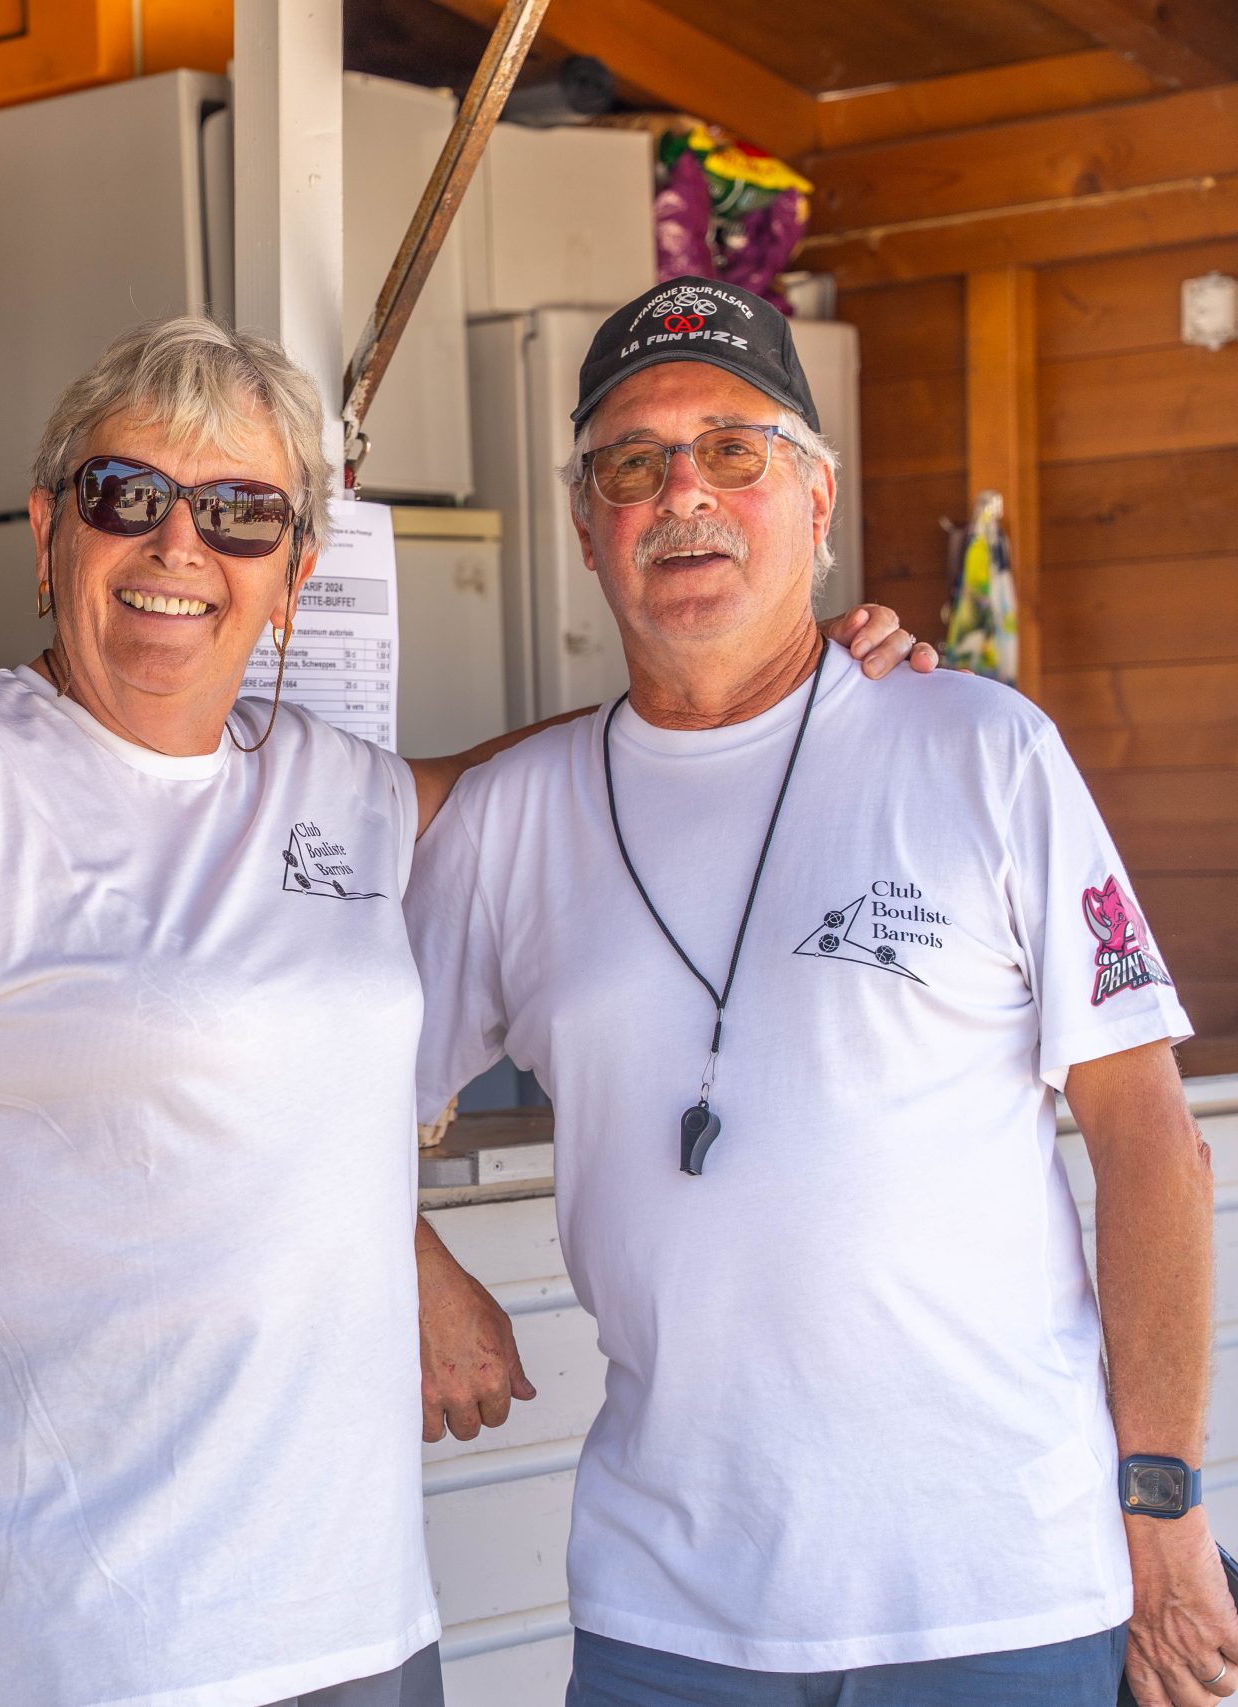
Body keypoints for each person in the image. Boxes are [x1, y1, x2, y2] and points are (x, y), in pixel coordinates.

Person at [0, 315, 923, 1707]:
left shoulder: (326, 784)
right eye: (129, 497)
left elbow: (585, 770)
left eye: (240, 514)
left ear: (293, 576)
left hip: (357, 1614)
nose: (181, 547)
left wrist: (794, 677)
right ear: (49, 533)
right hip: (86, 1637)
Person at [404, 276, 1230, 1707]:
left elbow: (1148, 1131)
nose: (684, 493)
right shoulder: (512, 817)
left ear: (818, 495)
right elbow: (333, 1091)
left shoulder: (981, 746)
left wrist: (1162, 1502)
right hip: (670, 1612)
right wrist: (412, 1266)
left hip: (1003, 1589)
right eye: (632, 462)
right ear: (585, 520)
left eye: (735, 449)